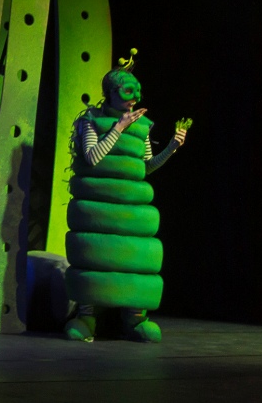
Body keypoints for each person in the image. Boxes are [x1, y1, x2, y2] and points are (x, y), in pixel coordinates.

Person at [63, 49, 189, 343]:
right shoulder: (91, 121)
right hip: (98, 205)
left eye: (137, 91)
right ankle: (86, 316)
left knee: (135, 259)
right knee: (94, 258)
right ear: (110, 93)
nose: (134, 98)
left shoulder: (142, 125)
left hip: (130, 207)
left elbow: (145, 167)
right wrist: (119, 127)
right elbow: (93, 157)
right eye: (127, 91)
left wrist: (171, 147)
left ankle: (135, 318)